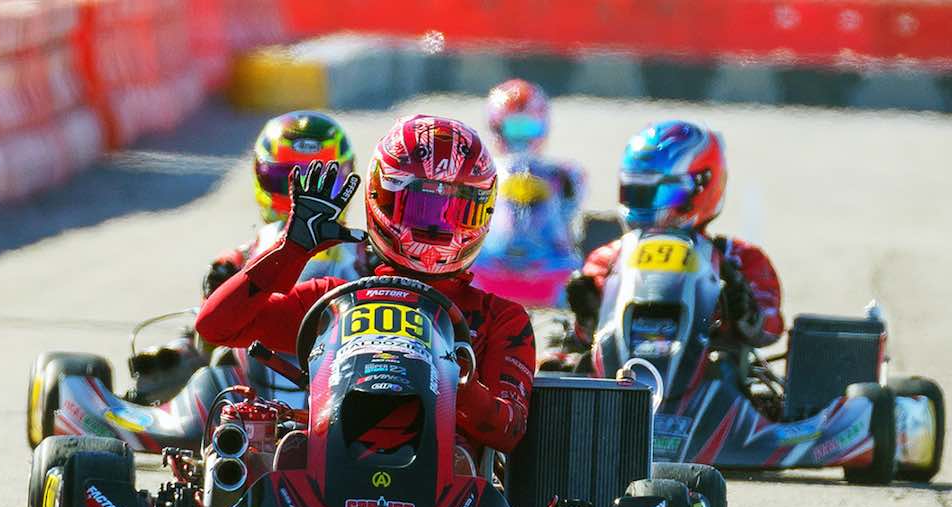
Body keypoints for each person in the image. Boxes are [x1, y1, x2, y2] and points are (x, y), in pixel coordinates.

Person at [196, 115, 535, 454]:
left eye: (456, 211)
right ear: (381, 197)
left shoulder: (501, 318)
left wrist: (452, 379)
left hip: (448, 491)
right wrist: (290, 251)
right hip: (326, 481)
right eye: (420, 207)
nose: (436, 228)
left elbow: (509, 429)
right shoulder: (334, 302)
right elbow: (215, 327)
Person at [565, 120, 783, 354]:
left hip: (713, 375)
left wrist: (745, 313)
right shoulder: (607, 260)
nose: (648, 205)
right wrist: (589, 317)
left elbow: (771, 328)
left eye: (663, 193)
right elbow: (585, 340)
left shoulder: (739, 259)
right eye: (637, 192)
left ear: (703, 186)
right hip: (622, 376)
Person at [202, 111, 362, 299]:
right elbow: (211, 325)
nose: (306, 197)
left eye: (321, 182)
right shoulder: (235, 264)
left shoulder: (368, 257)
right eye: (289, 181)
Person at [485, 78, 584, 225]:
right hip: (494, 244)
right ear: (497, 127)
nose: (521, 137)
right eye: (514, 128)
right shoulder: (484, 175)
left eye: (528, 128)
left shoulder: (565, 175)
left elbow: (569, 213)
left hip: (549, 244)